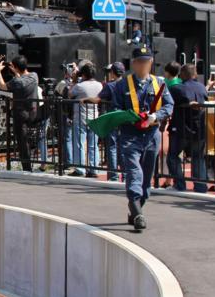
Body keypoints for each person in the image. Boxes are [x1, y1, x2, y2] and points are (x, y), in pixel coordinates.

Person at [89, 45, 174, 231]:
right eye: (139, 62)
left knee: (147, 176)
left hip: (151, 135)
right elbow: (116, 108)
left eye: (146, 61)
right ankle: (136, 210)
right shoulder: (122, 85)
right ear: (133, 64)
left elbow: (169, 105)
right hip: (130, 135)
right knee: (135, 172)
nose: (143, 65)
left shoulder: (159, 83)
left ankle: (136, 208)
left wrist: (155, 116)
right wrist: (129, 116)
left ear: (151, 63)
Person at [166, 63, 208, 193]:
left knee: (172, 156)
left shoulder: (176, 89)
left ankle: (179, 184)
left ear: (182, 74)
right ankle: (200, 186)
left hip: (181, 128)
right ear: (194, 74)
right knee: (198, 157)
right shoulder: (202, 88)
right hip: (199, 128)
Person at [0, 55, 39, 172]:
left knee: (22, 142)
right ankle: (29, 164)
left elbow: (2, 86)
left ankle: (27, 167)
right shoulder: (34, 76)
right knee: (27, 140)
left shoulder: (17, 82)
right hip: (33, 112)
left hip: (20, 114)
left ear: (15, 67)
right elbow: (22, 79)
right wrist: (16, 72)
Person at [69, 63, 103, 178]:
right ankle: (94, 169)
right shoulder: (99, 85)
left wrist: (74, 80)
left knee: (80, 144)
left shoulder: (80, 86)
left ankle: (80, 169)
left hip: (81, 117)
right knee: (93, 144)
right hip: (95, 117)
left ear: (83, 74)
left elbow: (70, 94)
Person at [103, 62, 126, 181]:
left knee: (112, 146)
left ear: (112, 73)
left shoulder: (110, 85)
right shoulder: (127, 84)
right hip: (123, 118)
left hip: (112, 117)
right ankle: (125, 174)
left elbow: (100, 97)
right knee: (123, 146)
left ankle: (113, 175)